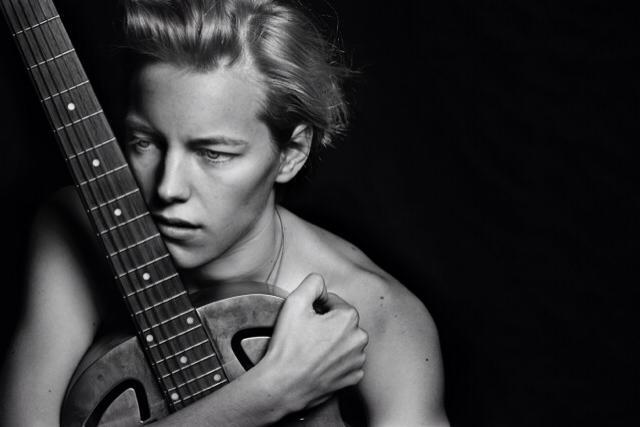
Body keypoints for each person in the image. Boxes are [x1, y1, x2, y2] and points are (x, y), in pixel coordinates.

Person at [0, 0, 448, 425]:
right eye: (145, 142)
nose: (168, 188)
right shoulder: (77, 225)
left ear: (292, 153)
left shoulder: (380, 313)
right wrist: (267, 394)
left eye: (213, 154)